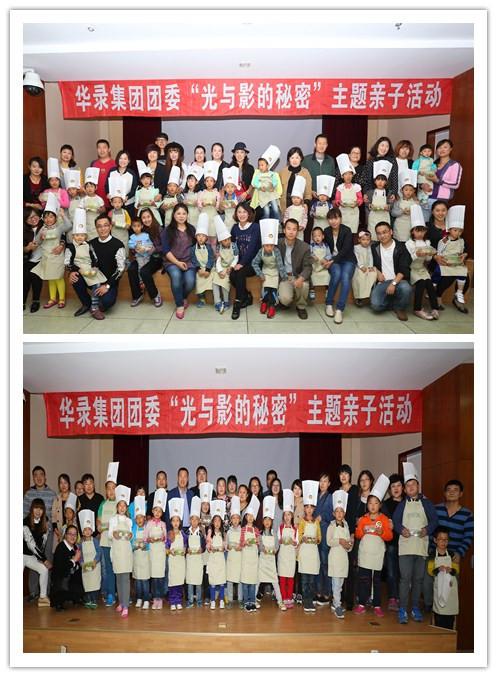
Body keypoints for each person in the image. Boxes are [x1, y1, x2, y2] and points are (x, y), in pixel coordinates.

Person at [393, 462, 438, 624]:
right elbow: (395, 521)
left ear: (418, 486)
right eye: (408, 485)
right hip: (405, 547)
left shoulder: (427, 504)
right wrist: (401, 529)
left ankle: (415, 608)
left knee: (418, 579)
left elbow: (434, 521)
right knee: (405, 579)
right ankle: (402, 609)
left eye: (413, 484)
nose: (411, 487)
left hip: (421, 546)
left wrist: (427, 529)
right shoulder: (402, 505)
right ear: (405, 490)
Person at [70, 215, 126, 320]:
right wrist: (72, 271)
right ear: (96, 228)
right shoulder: (90, 244)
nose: (102, 229)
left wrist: (107, 286)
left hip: (108, 282)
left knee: (107, 301)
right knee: (75, 278)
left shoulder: (118, 245)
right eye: (99, 226)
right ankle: (87, 304)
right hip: (92, 278)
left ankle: (97, 304)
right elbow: (79, 259)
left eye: (105, 225)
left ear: (110, 227)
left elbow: (120, 269)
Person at [354, 475, 393, 617]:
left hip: (377, 555)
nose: (372, 505)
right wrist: (362, 531)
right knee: (364, 580)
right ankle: (362, 603)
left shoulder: (384, 520)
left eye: (376, 503)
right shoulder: (363, 519)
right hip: (365, 554)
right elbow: (357, 534)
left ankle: (377, 605)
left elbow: (389, 536)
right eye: (370, 503)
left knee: (376, 581)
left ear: (380, 505)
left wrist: (382, 532)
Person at [64, 209, 109, 318]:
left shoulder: (89, 245)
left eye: (82, 235)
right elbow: (67, 262)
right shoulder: (70, 247)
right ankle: (85, 303)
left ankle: (94, 306)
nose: (79, 237)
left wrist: (95, 267)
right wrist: (75, 270)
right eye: (77, 235)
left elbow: (94, 257)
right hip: (78, 269)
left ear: (85, 236)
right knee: (76, 280)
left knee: (96, 284)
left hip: (89, 268)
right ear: (73, 236)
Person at [30, 194, 71, 310]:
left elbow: (69, 226)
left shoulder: (59, 227)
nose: (48, 219)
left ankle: (61, 299)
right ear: (43, 218)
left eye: (51, 217)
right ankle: (52, 299)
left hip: (57, 257)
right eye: (46, 217)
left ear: (55, 218)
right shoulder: (42, 229)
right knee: (50, 278)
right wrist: (41, 237)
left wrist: (63, 215)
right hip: (46, 257)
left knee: (58, 277)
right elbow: (37, 242)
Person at [370, 221, 412, 321]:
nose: (382, 236)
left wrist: (393, 283)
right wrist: (377, 272)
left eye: (385, 232)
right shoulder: (374, 247)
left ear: (391, 232)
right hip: (382, 282)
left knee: (406, 288)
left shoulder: (401, 247)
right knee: (376, 306)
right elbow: (370, 263)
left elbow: (404, 268)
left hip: (399, 280)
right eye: (379, 233)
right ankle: (393, 301)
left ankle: (399, 308)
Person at [162, 204, 196, 319]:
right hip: (172, 261)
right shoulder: (167, 231)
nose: (181, 216)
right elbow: (166, 251)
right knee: (176, 276)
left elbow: (196, 247)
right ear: (174, 215)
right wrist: (177, 263)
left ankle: (182, 297)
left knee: (190, 282)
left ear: (187, 215)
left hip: (188, 261)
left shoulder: (191, 229)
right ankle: (179, 305)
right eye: (178, 213)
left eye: (184, 213)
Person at [405, 207, 439, 320]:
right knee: (421, 283)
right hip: (412, 268)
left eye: (422, 231)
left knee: (429, 284)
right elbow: (407, 260)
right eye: (417, 231)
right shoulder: (409, 243)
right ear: (412, 231)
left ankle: (434, 308)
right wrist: (417, 254)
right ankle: (417, 309)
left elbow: (428, 260)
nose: (420, 233)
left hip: (422, 268)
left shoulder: (427, 242)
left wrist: (429, 254)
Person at [322, 207, 355, 324]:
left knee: (345, 277)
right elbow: (323, 247)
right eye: (330, 219)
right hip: (333, 260)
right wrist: (325, 260)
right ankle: (329, 303)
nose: (333, 221)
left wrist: (333, 260)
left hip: (348, 259)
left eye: (336, 218)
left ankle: (340, 309)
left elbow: (346, 249)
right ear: (328, 220)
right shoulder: (326, 231)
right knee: (336, 274)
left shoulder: (347, 230)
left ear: (340, 218)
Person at [435, 205, 469, 313]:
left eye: (460, 231)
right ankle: (437, 295)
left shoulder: (461, 240)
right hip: (442, 262)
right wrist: (438, 257)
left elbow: (464, 250)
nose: (457, 233)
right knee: (447, 276)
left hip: (456, 263)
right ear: (449, 230)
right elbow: (438, 251)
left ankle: (459, 294)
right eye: (455, 230)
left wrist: (464, 255)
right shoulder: (444, 240)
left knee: (464, 273)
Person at [230, 204, 261, 320]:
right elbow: (232, 247)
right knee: (232, 275)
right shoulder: (234, 228)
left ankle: (237, 303)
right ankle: (246, 296)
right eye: (239, 212)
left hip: (254, 263)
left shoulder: (255, 227)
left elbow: (252, 248)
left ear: (249, 214)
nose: (242, 214)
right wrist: (233, 263)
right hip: (239, 262)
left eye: (244, 212)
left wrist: (241, 263)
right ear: (236, 214)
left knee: (239, 273)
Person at [127, 209, 163, 309]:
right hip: (141, 256)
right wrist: (135, 250)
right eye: (143, 217)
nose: (146, 219)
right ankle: (137, 295)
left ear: (152, 217)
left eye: (148, 216)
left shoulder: (159, 229)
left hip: (156, 257)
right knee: (131, 269)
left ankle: (155, 295)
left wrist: (153, 249)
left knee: (144, 271)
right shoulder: (139, 230)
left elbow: (164, 246)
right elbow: (133, 245)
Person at [277, 218, 312, 320]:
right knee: (285, 299)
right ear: (284, 230)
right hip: (285, 277)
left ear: (297, 231)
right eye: (288, 229)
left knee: (304, 285)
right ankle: (287, 301)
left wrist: (301, 278)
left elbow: (308, 266)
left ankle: (301, 307)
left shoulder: (304, 247)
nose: (291, 232)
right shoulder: (278, 244)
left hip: (297, 275)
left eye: (294, 229)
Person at [252, 218, 287, 319]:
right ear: (263, 245)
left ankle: (272, 306)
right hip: (265, 272)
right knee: (266, 289)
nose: (269, 248)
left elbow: (280, 265)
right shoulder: (261, 251)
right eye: (267, 246)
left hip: (275, 272)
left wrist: (284, 277)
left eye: (271, 245)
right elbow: (254, 263)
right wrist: (260, 274)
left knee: (273, 290)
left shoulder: (276, 251)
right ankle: (264, 303)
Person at [327, 490, 353, 619]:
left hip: (343, 559)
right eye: (337, 511)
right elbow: (329, 541)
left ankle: (335, 602)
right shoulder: (331, 526)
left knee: (340, 584)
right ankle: (337, 605)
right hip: (335, 558)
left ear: (344, 513)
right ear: (333, 513)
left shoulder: (346, 526)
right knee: (336, 584)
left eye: (341, 511)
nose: (339, 514)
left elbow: (348, 542)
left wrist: (349, 545)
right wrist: (340, 541)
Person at [427, 526, 460, 629]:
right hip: (439, 588)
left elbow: (457, 569)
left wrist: (451, 570)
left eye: (446, 540)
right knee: (439, 614)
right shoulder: (432, 555)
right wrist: (438, 569)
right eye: (441, 539)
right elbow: (430, 570)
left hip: (451, 589)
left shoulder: (452, 554)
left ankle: (449, 632)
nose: (443, 542)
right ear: (435, 540)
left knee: (450, 615)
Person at [108, 486, 133, 618]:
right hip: (117, 552)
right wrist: (114, 534)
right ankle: (121, 602)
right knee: (118, 578)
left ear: (126, 507)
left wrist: (130, 536)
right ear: (117, 507)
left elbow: (131, 535)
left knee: (126, 579)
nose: (122, 508)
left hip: (126, 552)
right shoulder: (113, 520)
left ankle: (126, 605)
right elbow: (109, 535)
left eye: (124, 506)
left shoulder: (129, 521)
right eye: (120, 505)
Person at [258, 497, 286, 611]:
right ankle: (254, 600)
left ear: (272, 521)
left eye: (269, 519)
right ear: (262, 521)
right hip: (262, 561)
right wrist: (263, 549)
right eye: (265, 519)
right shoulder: (260, 534)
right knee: (258, 581)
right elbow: (259, 545)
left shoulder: (274, 533)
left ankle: (280, 601)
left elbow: (277, 545)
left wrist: (275, 549)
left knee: (275, 582)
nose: (267, 522)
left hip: (271, 562)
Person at [337, 464, 359, 611]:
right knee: (340, 565)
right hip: (339, 532)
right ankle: (340, 596)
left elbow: (355, 513)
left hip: (351, 531)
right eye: (341, 474)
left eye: (346, 473)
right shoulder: (337, 492)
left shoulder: (355, 490)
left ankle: (350, 599)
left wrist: (353, 533)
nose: (343, 476)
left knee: (350, 566)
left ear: (350, 475)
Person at [23, 498, 52, 607]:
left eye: (41, 509)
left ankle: (43, 597)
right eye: (36, 508)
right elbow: (31, 545)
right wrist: (44, 559)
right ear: (32, 509)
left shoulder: (45, 521)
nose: (38, 511)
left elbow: (43, 543)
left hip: (31, 556)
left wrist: (41, 559)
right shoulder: (25, 522)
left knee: (44, 569)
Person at [298, 480, 321, 612]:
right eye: (307, 507)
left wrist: (316, 539)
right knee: (304, 579)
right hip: (304, 553)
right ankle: (306, 600)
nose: (309, 510)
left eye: (311, 507)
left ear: (314, 509)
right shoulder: (302, 522)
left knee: (312, 579)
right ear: (304, 508)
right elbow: (299, 536)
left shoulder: (316, 522)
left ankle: (310, 600)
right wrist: (303, 538)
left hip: (313, 553)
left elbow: (319, 537)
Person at [97, 464, 118, 606]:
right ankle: (111, 594)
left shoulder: (120, 503)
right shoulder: (102, 504)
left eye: (113, 488)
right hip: (105, 541)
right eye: (108, 488)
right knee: (109, 569)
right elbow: (98, 521)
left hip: (117, 542)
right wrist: (100, 525)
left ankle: (121, 593)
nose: (110, 491)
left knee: (119, 568)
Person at [383, 473, 404, 612]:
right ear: (389, 490)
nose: (396, 489)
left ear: (403, 487)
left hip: (406, 543)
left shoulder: (409, 502)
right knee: (391, 572)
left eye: (398, 485)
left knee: (403, 573)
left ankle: (401, 597)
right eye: (393, 486)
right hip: (391, 543)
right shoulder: (386, 505)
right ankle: (392, 597)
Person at [50, 524, 84, 611]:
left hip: (70, 578)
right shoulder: (60, 548)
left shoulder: (75, 547)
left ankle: (75, 597)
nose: (73, 536)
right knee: (62, 582)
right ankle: (59, 602)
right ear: (65, 535)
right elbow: (60, 569)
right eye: (70, 534)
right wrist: (74, 560)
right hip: (60, 578)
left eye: (75, 534)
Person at [145, 489, 168, 609]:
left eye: (160, 511)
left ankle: (160, 598)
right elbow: (145, 538)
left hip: (160, 553)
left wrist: (162, 538)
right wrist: (150, 539)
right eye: (156, 510)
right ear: (152, 511)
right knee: (154, 578)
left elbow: (165, 538)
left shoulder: (163, 524)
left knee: (160, 577)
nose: (157, 513)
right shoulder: (149, 524)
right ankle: (155, 598)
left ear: (162, 513)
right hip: (153, 553)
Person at [314, 473, 333, 604]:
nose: (322, 484)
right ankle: (318, 591)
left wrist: (322, 516)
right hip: (315, 532)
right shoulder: (315, 496)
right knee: (317, 563)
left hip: (325, 531)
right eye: (321, 481)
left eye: (325, 481)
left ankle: (327, 592)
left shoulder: (330, 497)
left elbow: (332, 513)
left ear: (329, 484)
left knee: (325, 563)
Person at [212, 219, 238, 313]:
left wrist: (230, 267)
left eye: (229, 239)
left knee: (225, 283)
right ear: (220, 242)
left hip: (229, 267)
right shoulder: (218, 247)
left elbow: (236, 258)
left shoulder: (234, 246)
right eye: (225, 240)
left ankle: (226, 301)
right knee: (215, 283)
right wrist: (219, 271)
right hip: (221, 267)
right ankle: (217, 302)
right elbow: (218, 260)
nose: (227, 242)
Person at [277, 490, 298, 609]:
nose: (287, 517)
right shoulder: (280, 527)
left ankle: (289, 597)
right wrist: (282, 540)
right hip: (282, 556)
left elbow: (296, 543)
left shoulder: (295, 529)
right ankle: (283, 597)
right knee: (282, 578)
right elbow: (279, 540)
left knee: (290, 578)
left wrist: (293, 542)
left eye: (289, 514)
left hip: (290, 556)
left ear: (292, 516)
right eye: (285, 515)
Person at [167, 498, 188, 610]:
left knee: (179, 581)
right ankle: (172, 601)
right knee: (172, 581)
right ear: (171, 522)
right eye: (173, 521)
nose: (175, 523)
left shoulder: (183, 534)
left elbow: (185, 545)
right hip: (172, 561)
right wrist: (170, 551)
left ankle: (178, 600)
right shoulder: (169, 534)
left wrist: (184, 550)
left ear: (180, 522)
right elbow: (166, 548)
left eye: (177, 521)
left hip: (180, 561)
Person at [240, 495, 261, 612]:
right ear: (246, 517)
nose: (250, 517)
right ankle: (246, 602)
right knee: (245, 581)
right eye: (248, 515)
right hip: (246, 559)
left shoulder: (256, 530)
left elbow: (258, 543)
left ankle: (252, 601)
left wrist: (257, 541)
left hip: (253, 559)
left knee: (252, 581)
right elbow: (240, 543)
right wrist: (245, 542)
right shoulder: (243, 529)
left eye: (252, 516)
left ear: (254, 518)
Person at [78, 509, 102, 609]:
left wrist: (95, 561)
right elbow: (79, 554)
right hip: (85, 566)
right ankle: (89, 600)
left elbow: (99, 552)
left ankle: (94, 600)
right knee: (87, 584)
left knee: (95, 583)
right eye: (85, 530)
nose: (87, 532)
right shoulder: (80, 543)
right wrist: (81, 563)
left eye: (89, 529)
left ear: (92, 531)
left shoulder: (95, 541)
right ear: (82, 532)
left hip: (95, 565)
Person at [334, 153, 363, 234]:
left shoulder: (357, 187)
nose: (348, 176)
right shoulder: (340, 187)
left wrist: (357, 203)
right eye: (346, 174)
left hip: (354, 213)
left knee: (352, 232)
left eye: (350, 174)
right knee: (342, 232)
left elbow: (360, 199)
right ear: (342, 176)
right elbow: (337, 199)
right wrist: (339, 203)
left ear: (352, 175)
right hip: (343, 212)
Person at [279, 146, 312, 216]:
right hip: (284, 207)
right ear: (289, 159)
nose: (294, 160)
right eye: (292, 158)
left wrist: (306, 203)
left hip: (299, 208)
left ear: (301, 159)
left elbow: (308, 193)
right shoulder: (282, 172)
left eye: (297, 158)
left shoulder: (305, 173)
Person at [364, 160, 394, 238]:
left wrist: (388, 206)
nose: (380, 182)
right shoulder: (370, 192)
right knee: (373, 235)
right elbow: (367, 203)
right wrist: (369, 205)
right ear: (374, 181)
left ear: (386, 182)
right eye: (378, 180)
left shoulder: (389, 193)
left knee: (384, 235)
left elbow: (391, 204)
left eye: (383, 180)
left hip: (384, 217)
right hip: (373, 217)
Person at [428, 139, 463, 206]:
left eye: (445, 147)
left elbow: (455, 184)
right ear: (436, 150)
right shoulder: (432, 164)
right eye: (439, 147)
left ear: (450, 149)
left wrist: (437, 180)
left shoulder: (454, 165)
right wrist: (422, 185)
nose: (442, 149)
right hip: (426, 198)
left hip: (442, 200)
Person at [131, 495, 151, 610]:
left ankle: (146, 599)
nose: (139, 520)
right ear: (135, 519)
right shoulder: (133, 529)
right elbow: (130, 542)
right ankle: (139, 598)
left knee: (145, 581)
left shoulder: (147, 528)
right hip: (136, 558)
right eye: (137, 518)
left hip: (145, 558)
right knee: (138, 580)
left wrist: (145, 546)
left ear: (145, 519)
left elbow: (149, 542)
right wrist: (134, 546)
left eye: (141, 518)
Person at [250, 149, 282, 220]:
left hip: (271, 195)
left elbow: (275, 182)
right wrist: (260, 186)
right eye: (259, 165)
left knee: (275, 208)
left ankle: (278, 222)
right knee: (266, 211)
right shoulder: (258, 174)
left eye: (262, 165)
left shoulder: (273, 174)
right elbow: (254, 182)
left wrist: (272, 186)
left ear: (267, 165)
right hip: (263, 195)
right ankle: (265, 222)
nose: (260, 167)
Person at [105, 150, 139, 218]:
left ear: (128, 161)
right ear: (117, 159)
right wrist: (108, 193)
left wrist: (128, 196)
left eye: (125, 159)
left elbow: (134, 188)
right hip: (114, 204)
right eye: (120, 158)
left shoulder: (132, 173)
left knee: (128, 222)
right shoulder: (112, 171)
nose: (123, 161)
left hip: (128, 205)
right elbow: (107, 185)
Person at [302, 134, 337, 198]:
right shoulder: (306, 160)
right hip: (310, 198)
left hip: (326, 198)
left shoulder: (331, 160)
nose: (322, 146)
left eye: (324, 144)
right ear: (315, 145)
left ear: (327, 145)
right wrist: (310, 191)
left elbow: (333, 179)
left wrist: (329, 193)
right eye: (319, 143)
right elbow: (302, 179)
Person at [191, 213, 215, 308]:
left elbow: (211, 258)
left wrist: (208, 270)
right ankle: (201, 298)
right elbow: (193, 259)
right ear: (196, 237)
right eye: (199, 236)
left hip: (209, 268)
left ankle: (215, 297)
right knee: (198, 279)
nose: (201, 238)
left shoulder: (208, 247)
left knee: (214, 277)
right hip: (199, 268)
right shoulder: (193, 248)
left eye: (203, 236)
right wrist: (198, 269)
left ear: (206, 238)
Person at [185, 496, 205, 608]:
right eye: (192, 519)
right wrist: (186, 549)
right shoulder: (186, 533)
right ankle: (190, 600)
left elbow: (204, 546)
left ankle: (199, 599)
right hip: (190, 560)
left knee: (198, 581)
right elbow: (184, 545)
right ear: (189, 520)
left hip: (198, 560)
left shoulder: (201, 533)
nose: (194, 521)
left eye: (196, 519)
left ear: (199, 521)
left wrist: (201, 549)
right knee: (190, 581)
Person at [23, 207, 44, 312]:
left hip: (42, 259)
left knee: (36, 278)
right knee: (25, 279)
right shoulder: (23, 231)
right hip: (28, 259)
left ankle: (36, 301)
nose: (33, 219)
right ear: (25, 220)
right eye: (29, 218)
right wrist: (28, 248)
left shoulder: (45, 226)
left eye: (35, 215)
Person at [196, 161, 221, 249]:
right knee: (204, 239)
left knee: (213, 239)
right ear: (204, 182)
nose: (209, 183)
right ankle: (204, 255)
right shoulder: (201, 193)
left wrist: (215, 204)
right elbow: (199, 206)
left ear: (214, 182)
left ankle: (213, 255)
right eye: (207, 181)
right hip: (204, 217)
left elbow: (218, 208)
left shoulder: (217, 193)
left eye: (211, 181)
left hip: (213, 217)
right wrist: (202, 204)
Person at [206, 504, 227, 609]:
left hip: (221, 560)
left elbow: (225, 545)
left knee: (222, 581)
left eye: (219, 521)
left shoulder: (224, 533)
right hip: (213, 560)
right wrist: (210, 548)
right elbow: (207, 545)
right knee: (213, 581)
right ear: (212, 522)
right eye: (215, 521)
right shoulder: (210, 533)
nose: (217, 523)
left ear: (221, 522)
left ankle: (222, 600)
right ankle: (213, 600)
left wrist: (223, 548)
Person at [391, 170, 419, 242]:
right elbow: (393, 213)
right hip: (399, 225)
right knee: (399, 242)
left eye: (411, 190)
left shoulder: (415, 203)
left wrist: (412, 211)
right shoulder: (398, 202)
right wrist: (402, 211)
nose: (408, 192)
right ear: (401, 190)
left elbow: (418, 216)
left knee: (409, 242)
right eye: (406, 190)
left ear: (414, 191)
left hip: (410, 225)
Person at [225, 496, 243, 609]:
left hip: (239, 558)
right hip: (231, 558)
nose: (235, 520)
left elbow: (243, 544)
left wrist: (240, 547)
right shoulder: (228, 532)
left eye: (237, 518)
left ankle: (240, 599)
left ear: (240, 519)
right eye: (233, 518)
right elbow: (226, 545)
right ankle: (230, 599)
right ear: (231, 520)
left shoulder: (242, 531)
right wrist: (228, 546)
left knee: (240, 579)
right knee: (230, 580)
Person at [352, 230, 377, 307]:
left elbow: (371, 257)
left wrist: (370, 266)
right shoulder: (356, 248)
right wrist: (361, 266)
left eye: (368, 240)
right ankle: (359, 297)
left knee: (373, 274)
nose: (366, 242)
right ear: (359, 240)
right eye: (363, 239)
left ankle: (370, 295)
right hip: (359, 267)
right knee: (360, 277)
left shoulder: (370, 248)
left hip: (368, 267)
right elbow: (356, 258)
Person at [107, 174, 132, 253]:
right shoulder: (110, 213)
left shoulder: (125, 212)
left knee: (125, 249)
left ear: (122, 203)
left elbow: (128, 225)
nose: (117, 204)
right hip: (114, 235)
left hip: (124, 236)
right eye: (115, 202)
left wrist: (120, 224)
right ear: (111, 203)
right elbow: (108, 225)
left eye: (119, 202)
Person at [80, 167, 106, 240]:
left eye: (91, 186)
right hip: (86, 223)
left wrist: (100, 210)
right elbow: (80, 210)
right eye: (87, 187)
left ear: (96, 187)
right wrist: (84, 209)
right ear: (85, 188)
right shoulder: (83, 199)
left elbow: (104, 210)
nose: (89, 188)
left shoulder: (99, 199)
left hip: (96, 222)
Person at [90, 139, 117, 208]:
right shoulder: (93, 164)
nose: (102, 150)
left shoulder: (115, 164)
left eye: (104, 147)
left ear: (109, 149)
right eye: (99, 148)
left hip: (111, 202)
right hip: (96, 202)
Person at [135, 161, 163, 225]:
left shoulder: (156, 190)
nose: (146, 181)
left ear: (151, 180)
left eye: (147, 179)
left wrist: (154, 204)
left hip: (154, 214)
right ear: (141, 181)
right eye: (143, 179)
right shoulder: (138, 192)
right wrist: (138, 205)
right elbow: (136, 204)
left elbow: (159, 203)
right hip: (142, 214)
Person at [309, 226, 332, 302]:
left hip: (323, 266)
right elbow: (309, 254)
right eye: (315, 236)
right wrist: (313, 256)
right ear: (312, 238)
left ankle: (327, 291)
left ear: (323, 236)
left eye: (319, 236)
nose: (317, 238)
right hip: (315, 266)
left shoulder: (326, 246)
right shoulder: (311, 246)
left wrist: (326, 259)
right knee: (311, 276)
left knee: (327, 275)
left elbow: (329, 255)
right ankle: (312, 290)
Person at [50, 473, 72, 552]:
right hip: (58, 532)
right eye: (61, 483)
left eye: (65, 482)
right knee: (59, 553)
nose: (63, 485)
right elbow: (53, 515)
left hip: (71, 531)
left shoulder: (73, 498)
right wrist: (56, 530)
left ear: (69, 484)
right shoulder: (56, 498)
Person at [229, 141, 255, 205]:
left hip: (247, 198)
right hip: (233, 198)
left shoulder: (250, 168)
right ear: (234, 154)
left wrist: (246, 193)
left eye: (242, 152)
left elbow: (253, 183)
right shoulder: (229, 167)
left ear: (245, 154)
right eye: (237, 152)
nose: (239, 155)